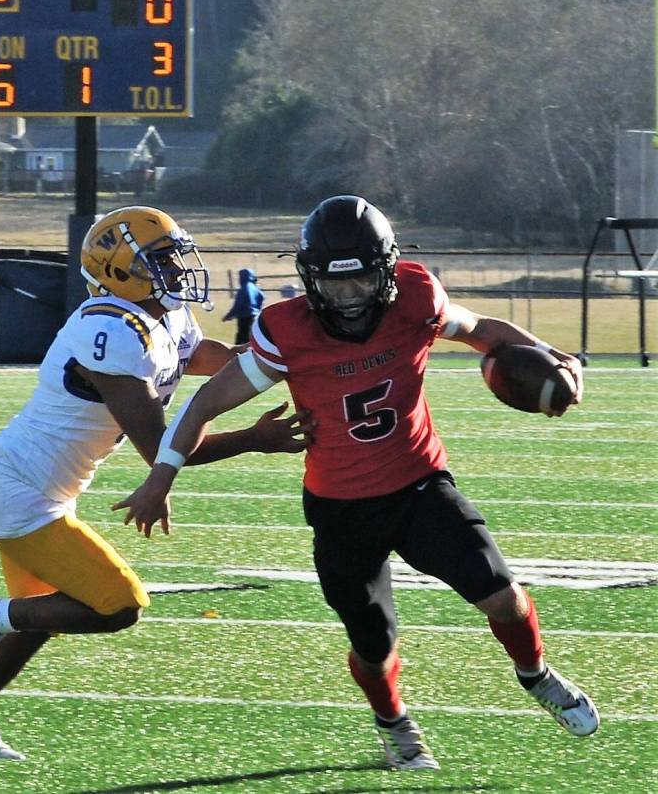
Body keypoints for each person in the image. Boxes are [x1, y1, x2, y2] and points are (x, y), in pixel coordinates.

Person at [116, 195, 599, 770]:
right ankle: (394, 723)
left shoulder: (417, 298)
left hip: (419, 483)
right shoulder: (287, 330)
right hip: (341, 508)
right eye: (334, 284)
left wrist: (552, 357)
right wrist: (161, 476)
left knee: (506, 598)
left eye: (363, 282)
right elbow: (205, 404)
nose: (348, 298)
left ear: (388, 271)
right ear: (309, 278)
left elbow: (484, 331)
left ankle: (536, 674)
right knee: (374, 648)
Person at [0, 205, 311, 760]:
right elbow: (161, 449)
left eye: (176, 255)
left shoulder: (161, 313)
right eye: (162, 260)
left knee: (46, 615)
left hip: (44, 490)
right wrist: (253, 438)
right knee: (117, 604)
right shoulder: (110, 329)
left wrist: (278, 360)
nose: (179, 268)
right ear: (119, 270)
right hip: (21, 495)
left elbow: (207, 358)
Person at [222, 267, 265, 344]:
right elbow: (261, 297)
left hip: (244, 317)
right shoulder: (255, 287)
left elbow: (238, 305)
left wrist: (228, 316)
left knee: (242, 337)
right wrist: (258, 309)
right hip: (254, 316)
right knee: (252, 337)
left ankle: (237, 353)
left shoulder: (244, 289)